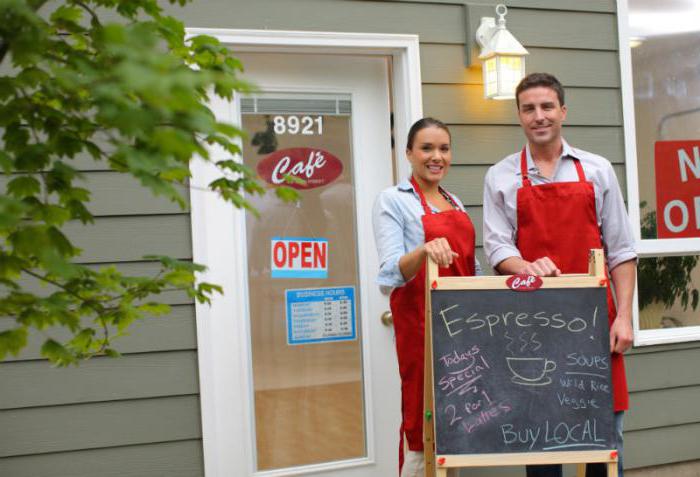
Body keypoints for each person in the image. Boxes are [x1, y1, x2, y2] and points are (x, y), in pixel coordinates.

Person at [482, 73, 637, 477]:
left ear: (563, 111)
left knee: (604, 442)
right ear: (519, 115)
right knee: (541, 444)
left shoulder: (598, 171)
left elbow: (621, 250)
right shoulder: (500, 177)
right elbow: (498, 248)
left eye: (547, 106)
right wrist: (526, 266)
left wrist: (623, 317)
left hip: (595, 326)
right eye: (529, 108)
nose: (539, 116)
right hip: (532, 329)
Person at [373, 117, 479, 477]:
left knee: (460, 425)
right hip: (422, 331)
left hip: (464, 333)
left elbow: (471, 269)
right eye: (427, 148)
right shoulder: (393, 201)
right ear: (409, 153)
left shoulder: (456, 201)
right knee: (423, 425)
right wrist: (423, 251)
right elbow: (389, 273)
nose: (437, 156)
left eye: (444, 149)